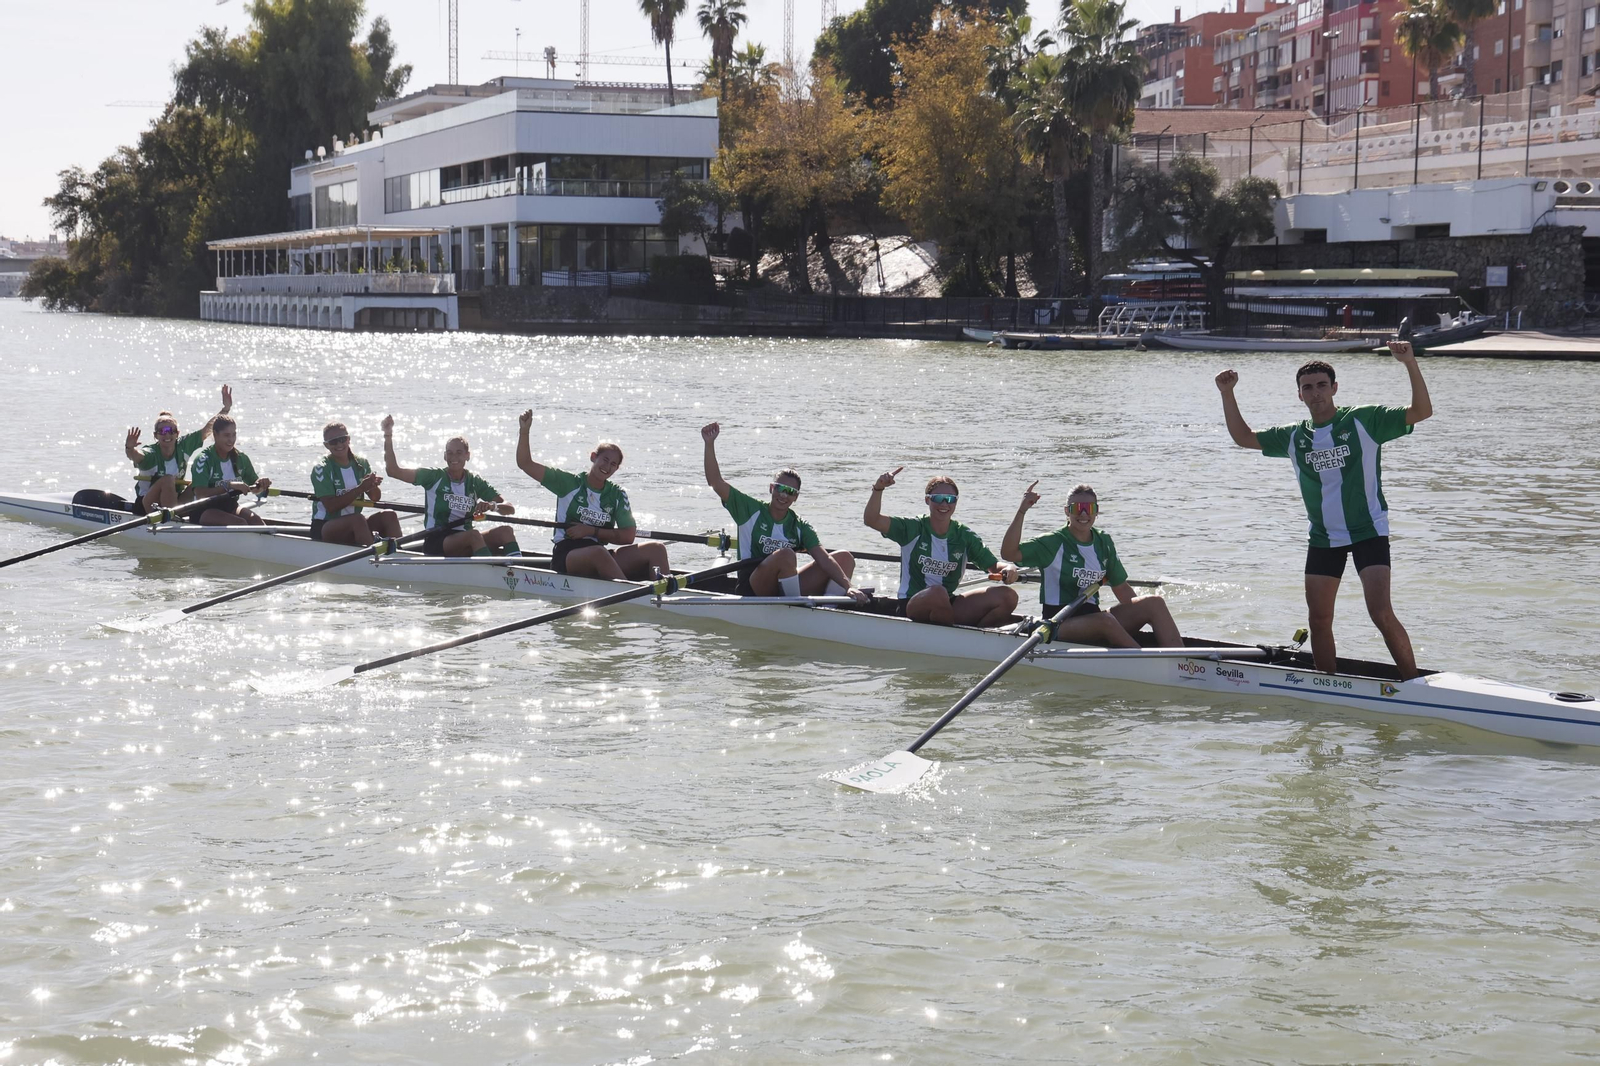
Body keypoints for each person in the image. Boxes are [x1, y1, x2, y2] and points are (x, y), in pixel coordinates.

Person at [1215, 342, 1433, 679]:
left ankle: (1413, 683)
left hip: (1368, 531)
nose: (1315, 393)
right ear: (1299, 395)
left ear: (1334, 388)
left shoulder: (1364, 420)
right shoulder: (1293, 437)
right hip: (1323, 538)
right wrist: (1227, 393)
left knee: (1380, 613)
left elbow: (1421, 411)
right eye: (1307, 388)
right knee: (1318, 619)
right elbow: (1243, 437)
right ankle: (1325, 682)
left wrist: (1409, 363)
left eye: (1321, 385)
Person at [1000, 482, 1182, 647]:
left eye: (1089, 508)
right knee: (1105, 621)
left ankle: (1182, 660)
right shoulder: (1053, 543)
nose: (1084, 514)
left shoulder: (1104, 542)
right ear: (1067, 511)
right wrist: (1022, 511)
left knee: (1154, 603)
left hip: (1094, 619)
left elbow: (1123, 591)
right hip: (1059, 624)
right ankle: (1148, 664)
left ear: (1097, 511)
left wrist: (1139, 615)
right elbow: (1008, 553)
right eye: (1077, 508)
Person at [700, 422, 865, 600]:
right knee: (786, 554)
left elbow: (824, 559)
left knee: (845, 558)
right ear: (771, 488)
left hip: (782, 584)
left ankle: (832, 609)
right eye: (780, 488)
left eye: (791, 492)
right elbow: (716, 482)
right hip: (752, 585)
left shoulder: (800, 526)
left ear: (796, 498)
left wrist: (849, 586)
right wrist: (709, 444)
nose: (784, 495)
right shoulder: (750, 510)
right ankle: (795, 609)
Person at [516, 410, 668, 579]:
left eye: (613, 464)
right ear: (593, 457)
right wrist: (524, 431)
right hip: (567, 554)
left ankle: (667, 597)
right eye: (604, 460)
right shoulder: (568, 483)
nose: (607, 467)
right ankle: (633, 596)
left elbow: (628, 536)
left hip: (600, 553)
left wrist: (591, 531)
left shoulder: (617, 495)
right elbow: (525, 463)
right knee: (598, 553)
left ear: (616, 469)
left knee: (657, 549)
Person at [864, 468, 1018, 627]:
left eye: (950, 499)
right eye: (938, 498)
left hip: (948, 603)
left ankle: (981, 638)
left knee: (1008, 596)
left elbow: (993, 567)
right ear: (927, 500)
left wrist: (1009, 567)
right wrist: (878, 488)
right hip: (912, 603)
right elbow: (871, 519)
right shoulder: (912, 529)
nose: (944, 504)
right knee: (937, 592)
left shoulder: (964, 536)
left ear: (956, 502)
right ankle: (955, 639)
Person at [381, 415, 520, 557]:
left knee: (506, 531)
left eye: (459, 453)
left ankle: (518, 574)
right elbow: (393, 471)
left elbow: (510, 508)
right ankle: (490, 575)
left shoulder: (475, 482)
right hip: (436, 540)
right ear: (445, 457)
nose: (454, 457)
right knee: (474, 536)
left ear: (468, 455)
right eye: (450, 453)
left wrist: (492, 506)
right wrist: (388, 435)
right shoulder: (433, 477)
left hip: (466, 538)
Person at [124, 385, 232, 514]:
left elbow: (206, 430)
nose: (167, 435)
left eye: (171, 431)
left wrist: (225, 409)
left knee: (200, 482)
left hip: (174, 502)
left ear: (177, 433)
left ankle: (204, 516)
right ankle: (174, 521)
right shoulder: (151, 454)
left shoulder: (183, 446)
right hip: (147, 505)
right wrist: (129, 448)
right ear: (155, 435)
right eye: (162, 431)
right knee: (168, 479)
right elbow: (135, 456)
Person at [309, 421, 402, 546]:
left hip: (354, 525)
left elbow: (375, 497)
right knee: (357, 519)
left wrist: (372, 485)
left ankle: (399, 556)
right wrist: (360, 489)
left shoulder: (361, 464)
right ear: (326, 445)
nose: (339, 444)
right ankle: (372, 560)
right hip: (325, 525)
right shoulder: (321, 469)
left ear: (348, 439)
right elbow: (331, 507)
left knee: (389, 515)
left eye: (342, 439)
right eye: (333, 442)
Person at [188, 415, 272, 525]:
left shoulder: (241, 459)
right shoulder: (203, 460)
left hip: (230, 506)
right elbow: (200, 494)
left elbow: (256, 491)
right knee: (240, 524)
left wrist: (261, 485)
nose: (231, 440)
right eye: (226, 435)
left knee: (256, 521)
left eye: (234, 435)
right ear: (215, 435)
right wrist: (229, 486)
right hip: (204, 510)